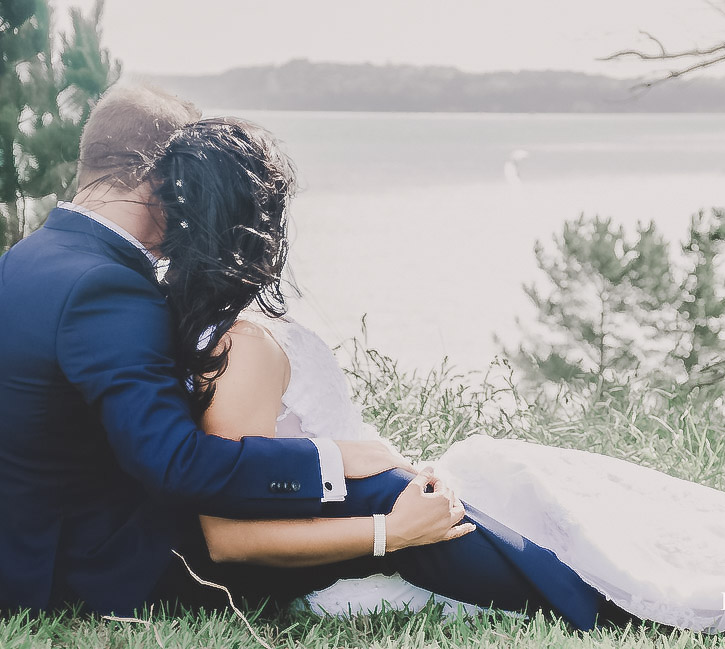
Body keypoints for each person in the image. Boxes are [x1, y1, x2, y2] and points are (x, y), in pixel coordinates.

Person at [149, 117, 725, 649]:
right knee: (604, 584)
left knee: (574, 488)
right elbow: (231, 535)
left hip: (413, 503)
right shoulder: (241, 347)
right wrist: (394, 531)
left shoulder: (214, 328)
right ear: (254, 221)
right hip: (403, 535)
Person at [0, 86, 519, 617]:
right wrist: (334, 460)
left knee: (382, 489)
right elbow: (174, 462)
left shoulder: (25, 258)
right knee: (382, 491)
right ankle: (570, 601)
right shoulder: (105, 286)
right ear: (154, 177)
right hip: (100, 572)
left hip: (36, 549)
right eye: (187, 183)